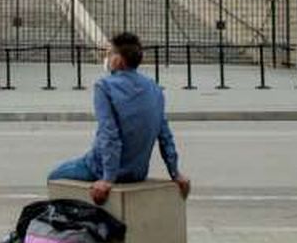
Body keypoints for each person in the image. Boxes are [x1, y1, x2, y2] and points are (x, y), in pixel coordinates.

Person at [48, 32, 191, 204]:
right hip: (138, 172)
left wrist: (108, 178)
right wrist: (175, 173)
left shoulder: (105, 86)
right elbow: (165, 135)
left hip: (100, 168)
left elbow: (109, 134)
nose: (107, 58)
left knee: (54, 176)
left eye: (110, 53)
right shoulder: (154, 87)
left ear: (119, 60)